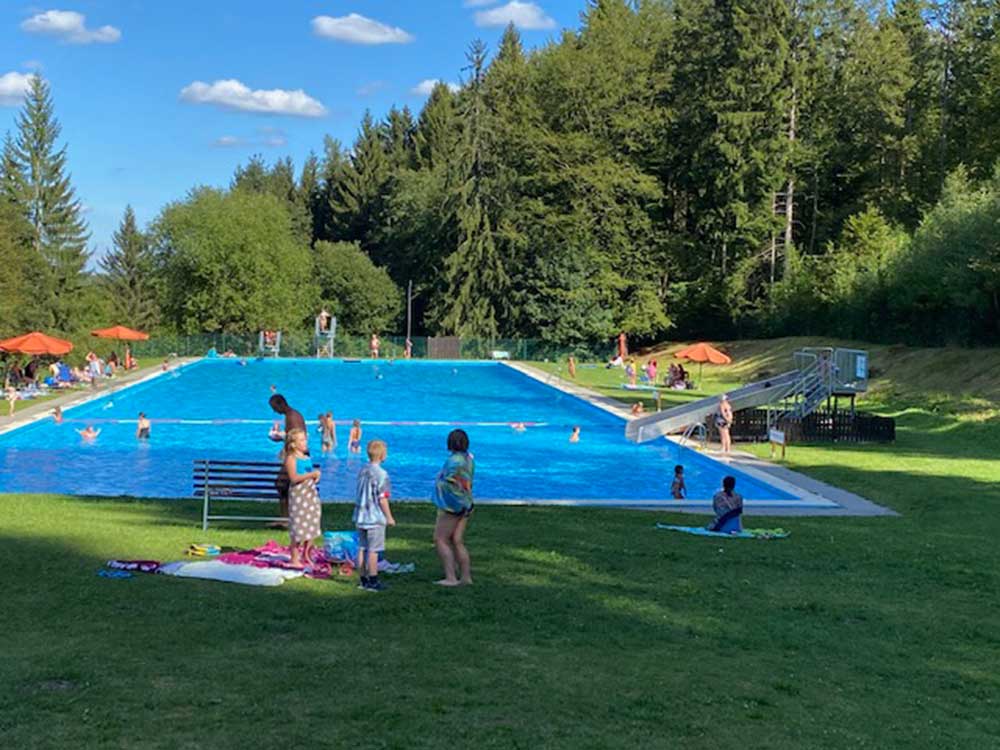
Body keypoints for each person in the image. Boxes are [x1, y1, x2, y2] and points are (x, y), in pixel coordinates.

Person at [432, 429, 475, 587]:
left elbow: (451, 484)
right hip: (467, 503)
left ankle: (450, 577)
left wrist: (438, 482)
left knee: (440, 539)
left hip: (453, 506)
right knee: (457, 540)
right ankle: (466, 577)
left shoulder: (453, 461)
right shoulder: (469, 459)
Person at [353, 439, 395, 592]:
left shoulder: (363, 470)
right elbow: (382, 498)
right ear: (383, 455)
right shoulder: (382, 474)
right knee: (373, 550)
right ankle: (373, 580)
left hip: (361, 515)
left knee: (362, 548)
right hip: (374, 518)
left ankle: (362, 579)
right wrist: (389, 517)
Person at [283, 428, 322, 568]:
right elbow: (294, 478)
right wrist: (311, 475)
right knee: (299, 527)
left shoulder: (306, 458)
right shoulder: (291, 458)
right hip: (299, 496)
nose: (305, 442)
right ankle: (294, 556)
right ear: (293, 444)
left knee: (312, 522)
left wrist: (316, 476)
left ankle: (306, 552)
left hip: (310, 495)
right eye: (301, 440)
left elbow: (310, 474)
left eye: (305, 439)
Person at [270, 394, 307, 518]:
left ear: (281, 404)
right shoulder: (292, 415)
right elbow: (292, 437)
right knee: (283, 485)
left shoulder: (292, 417)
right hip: (295, 455)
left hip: (295, 457)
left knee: (281, 484)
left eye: (274, 407)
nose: (274, 411)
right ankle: (286, 516)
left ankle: (286, 517)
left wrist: (288, 451)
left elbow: (298, 439)